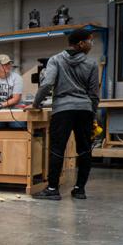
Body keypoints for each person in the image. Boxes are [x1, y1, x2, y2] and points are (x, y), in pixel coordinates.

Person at [32, 28, 100, 201]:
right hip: (84, 109)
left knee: (57, 149)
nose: (92, 44)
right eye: (90, 40)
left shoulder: (56, 59)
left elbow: (47, 84)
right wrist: (92, 114)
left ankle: (53, 189)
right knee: (84, 150)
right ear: (80, 44)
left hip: (62, 110)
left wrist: (35, 104)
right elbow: (93, 94)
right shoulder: (91, 64)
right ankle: (79, 190)